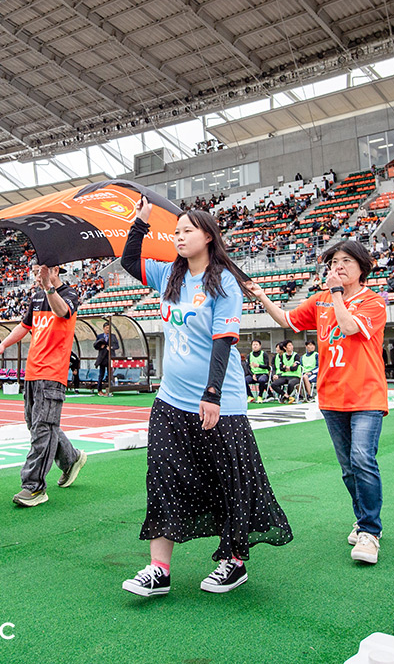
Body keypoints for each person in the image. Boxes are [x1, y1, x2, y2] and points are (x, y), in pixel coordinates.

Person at [119, 199, 291, 597]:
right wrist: (140, 222)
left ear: (209, 236)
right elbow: (130, 261)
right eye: (176, 232)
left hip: (219, 403)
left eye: (187, 231)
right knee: (162, 477)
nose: (179, 238)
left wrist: (211, 393)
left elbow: (223, 341)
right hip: (170, 400)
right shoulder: (169, 274)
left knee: (230, 481)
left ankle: (234, 561)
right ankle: (158, 569)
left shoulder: (225, 282)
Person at [249, 240, 389, 565]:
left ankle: (370, 531)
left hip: (366, 394)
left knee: (362, 459)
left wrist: (336, 293)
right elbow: (287, 320)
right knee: (348, 468)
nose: (338, 266)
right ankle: (362, 519)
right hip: (331, 395)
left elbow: (349, 326)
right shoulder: (320, 300)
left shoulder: (373, 302)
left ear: (362, 267)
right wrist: (262, 297)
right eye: (333, 262)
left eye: (346, 261)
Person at [0, 261, 87, 507]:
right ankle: (71, 458)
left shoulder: (69, 294)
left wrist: (48, 288)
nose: (36, 277)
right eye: (34, 273)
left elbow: (62, 312)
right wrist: (3, 344)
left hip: (52, 373)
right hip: (32, 372)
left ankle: (34, 487)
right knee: (37, 425)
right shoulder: (36, 297)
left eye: (40, 272)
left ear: (55, 271)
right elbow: (24, 326)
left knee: (43, 428)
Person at [94, 321, 120, 396]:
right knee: (101, 375)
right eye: (106, 328)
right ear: (103, 328)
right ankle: (99, 390)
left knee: (110, 374)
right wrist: (100, 346)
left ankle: (110, 390)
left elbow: (117, 346)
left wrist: (111, 348)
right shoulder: (100, 336)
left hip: (110, 357)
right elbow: (95, 346)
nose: (108, 329)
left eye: (109, 328)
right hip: (102, 358)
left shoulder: (113, 336)